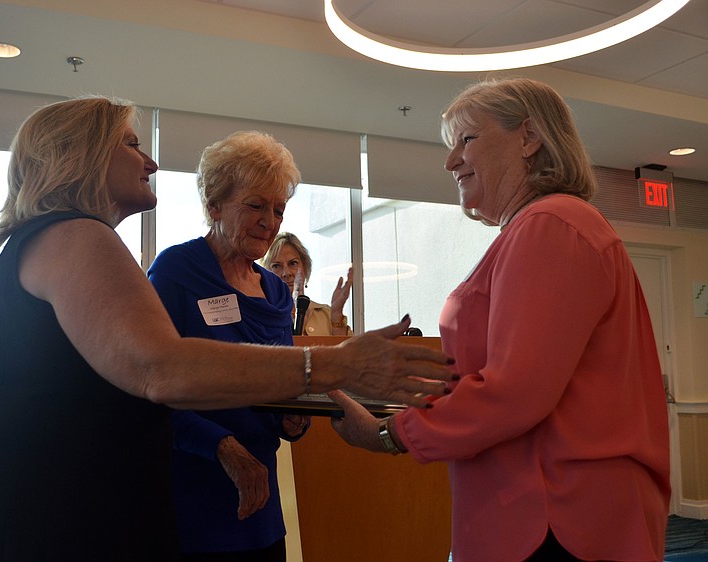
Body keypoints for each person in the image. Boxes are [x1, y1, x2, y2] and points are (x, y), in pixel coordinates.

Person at [0, 97, 456, 562]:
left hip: (43, 512)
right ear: (78, 155)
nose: (149, 160)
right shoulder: (76, 235)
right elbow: (162, 370)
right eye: (130, 144)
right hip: (34, 522)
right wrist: (339, 361)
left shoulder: (53, 240)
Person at [329, 78, 671, 562]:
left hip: (558, 519)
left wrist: (388, 435)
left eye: (466, 140)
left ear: (529, 138)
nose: (450, 162)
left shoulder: (550, 226)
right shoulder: (541, 229)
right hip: (543, 513)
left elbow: (514, 392)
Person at [148, 131, 308, 561]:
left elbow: (282, 393)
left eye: (278, 209)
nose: (270, 222)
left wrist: (295, 419)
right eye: (255, 205)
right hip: (195, 497)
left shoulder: (276, 292)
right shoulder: (176, 272)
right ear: (214, 205)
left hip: (262, 508)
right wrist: (225, 447)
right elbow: (150, 387)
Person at [261, 232, 354, 336]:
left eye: (293, 263)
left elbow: (349, 351)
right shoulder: (261, 316)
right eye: (276, 266)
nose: (286, 273)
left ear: (305, 268)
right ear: (265, 272)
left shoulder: (325, 314)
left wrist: (337, 315)